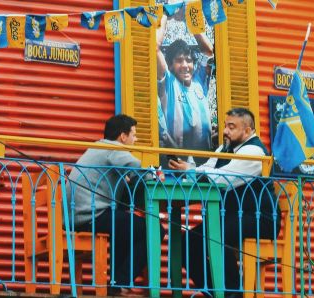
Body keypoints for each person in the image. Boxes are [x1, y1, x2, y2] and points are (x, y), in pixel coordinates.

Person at [169, 108, 281, 297]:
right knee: (187, 241)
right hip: (233, 216)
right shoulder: (224, 148)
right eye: (225, 126)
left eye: (232, 127)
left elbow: (223, 178)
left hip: (260, 219)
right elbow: (207, 168)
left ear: (247, 131)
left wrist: (192, 172)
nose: (226, 131)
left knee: (216, 234)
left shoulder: (254, 151)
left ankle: (232, 292)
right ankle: (216, 291)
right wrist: (187, 168)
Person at [66, 114, 164, 297]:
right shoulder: (113, 148)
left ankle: (117, 286)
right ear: (122, 136)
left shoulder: (99, 147)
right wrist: (153, 176)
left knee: (126, 225)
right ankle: (121, 283)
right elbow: (135, 166)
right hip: (89, 215)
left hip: (78, 214)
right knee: (155, 229)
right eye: (133, 135)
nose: (135, 139)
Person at [157, 13, 214, 152]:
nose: (185, 65)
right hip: (176, 162)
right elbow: (155, 47)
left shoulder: (199, 80)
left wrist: (190, 18)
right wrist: (165, 14)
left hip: (205, 162)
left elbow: (208, 51)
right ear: (169, 65)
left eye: (188, 60)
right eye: (179, 60)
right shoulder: (168, 83)